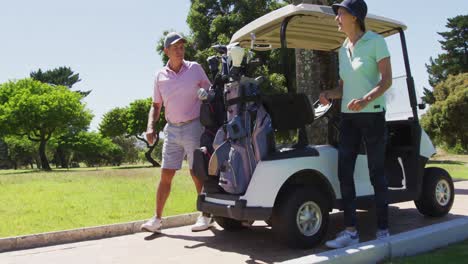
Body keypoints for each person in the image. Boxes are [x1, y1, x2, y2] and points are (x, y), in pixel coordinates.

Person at [321, 0, 393, 248]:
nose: (336, 18)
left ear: (354, 17)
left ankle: (383, 229)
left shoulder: (376, 41)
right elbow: (344, 87)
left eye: (340, 14)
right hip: (349, 117)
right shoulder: (343, 48)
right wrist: (330, 94)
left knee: (376, 172)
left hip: (372, 114)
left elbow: (386, 81)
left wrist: (365, 99)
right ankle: (351, 230)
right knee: (344, 172)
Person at [140, 32, 214, 233]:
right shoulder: (159, 75)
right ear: (166, 51)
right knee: (166, 174)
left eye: (182, 47)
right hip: (171, 129)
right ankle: (157, 219)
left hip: (194, 125)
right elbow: (156, 106)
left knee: (196, 172)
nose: (180, 51)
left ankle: (205, 215)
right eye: (175, 48)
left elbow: (212, 92)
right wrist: (150, 127)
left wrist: (205, 94)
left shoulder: (195, 69)